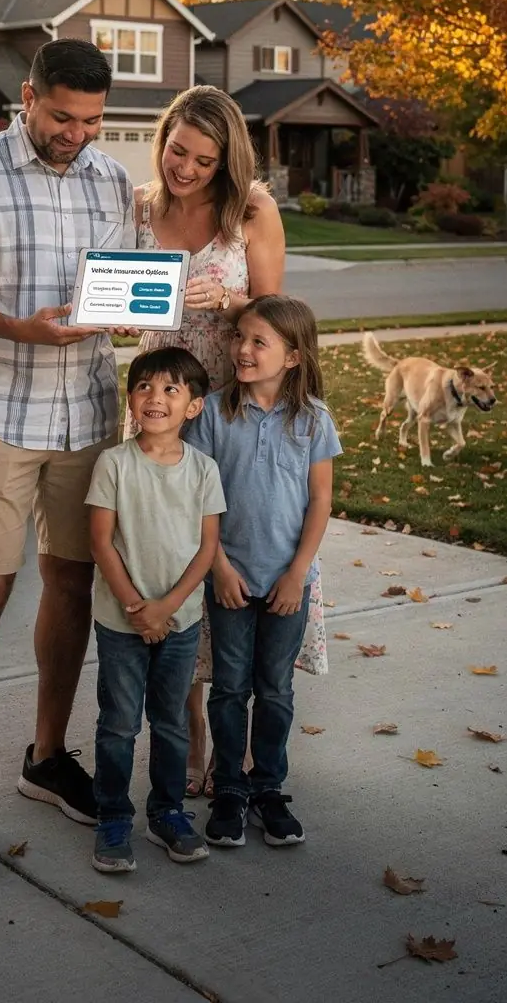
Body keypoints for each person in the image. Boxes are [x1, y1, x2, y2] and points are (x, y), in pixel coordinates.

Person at [0, 38, 136, 868]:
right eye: (62, 117)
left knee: (72, 580)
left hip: (84, 411)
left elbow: (122, 284)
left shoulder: (110, 179)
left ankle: (46, 758)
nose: (75, 134)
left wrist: (127, 311)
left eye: (91, 121)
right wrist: (18, 326)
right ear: (28, 94)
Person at [125, 84, 328, 797]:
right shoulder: (143, 205)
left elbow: (275, 312)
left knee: (233, 558)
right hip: (160, 406)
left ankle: (237, 748)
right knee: (167, 561)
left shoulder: (253, 211)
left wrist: (230, 302)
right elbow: (125, 295)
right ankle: (187, 739)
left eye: (204, 161)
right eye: (178, 151)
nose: (185, 168)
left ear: (227, 160)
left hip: (233, 405)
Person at [184, 295, 341, 849]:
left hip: (286, 582)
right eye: (239, 338)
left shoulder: (314, 419)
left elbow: (320, 502)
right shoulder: (214, 412)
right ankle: (229, 789)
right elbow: (199, 501)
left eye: (258, 342)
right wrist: (219, 569)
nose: (243, 350)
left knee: (275, 690)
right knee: (229, 690)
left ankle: (268, 787)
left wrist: (297, 573)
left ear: (294, 356)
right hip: (229, 575)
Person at [87, 346, 225, 873]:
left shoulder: (204, 470)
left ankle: (168, 813)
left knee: (169, 723)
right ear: (130, 398)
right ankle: (113, 818)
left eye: (171, 389)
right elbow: (102, 542)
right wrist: (134, 607)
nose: (155, 398)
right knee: (119, 724)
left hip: (181, 620)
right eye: (144, 386)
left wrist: (166, 607)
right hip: (120, 621)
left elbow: (207, 548)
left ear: (193, 406)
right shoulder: (113, 464)